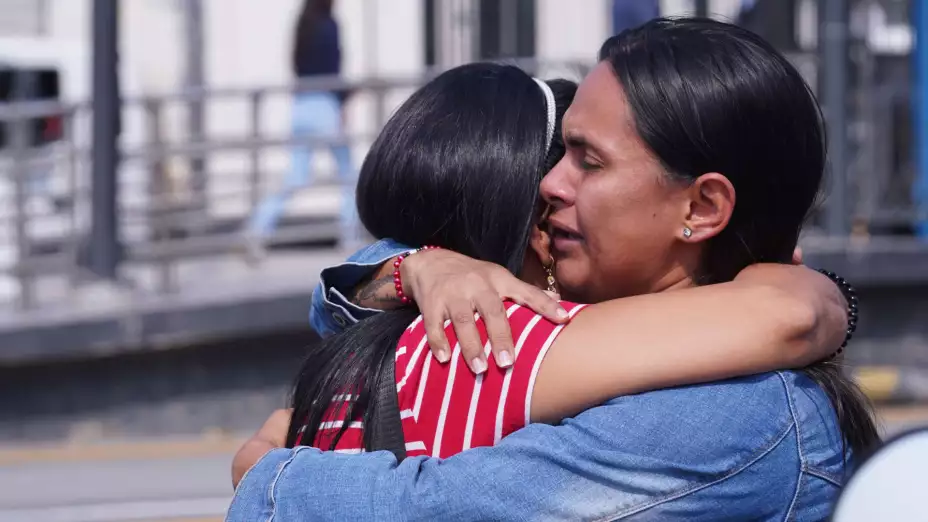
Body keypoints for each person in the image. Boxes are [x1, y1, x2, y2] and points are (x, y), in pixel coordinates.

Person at [228, 19, 879, 520]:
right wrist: (417, 267)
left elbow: (429, 510)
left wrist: (269, 476)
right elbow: (339, 298)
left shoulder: (737, 413)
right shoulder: (522, 319)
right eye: (560, 151)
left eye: (587, 162)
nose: (551, 186)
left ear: (702, 207)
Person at [245, 0, 356, 256]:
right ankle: (350, 238)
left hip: (301, 105)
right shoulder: (330, 25)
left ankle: (257, 229)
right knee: (348, 176)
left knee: (295, 176)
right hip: (325, 105)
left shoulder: (303, 26)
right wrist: (344, 99)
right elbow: (332, 70)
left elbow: (299, 68)